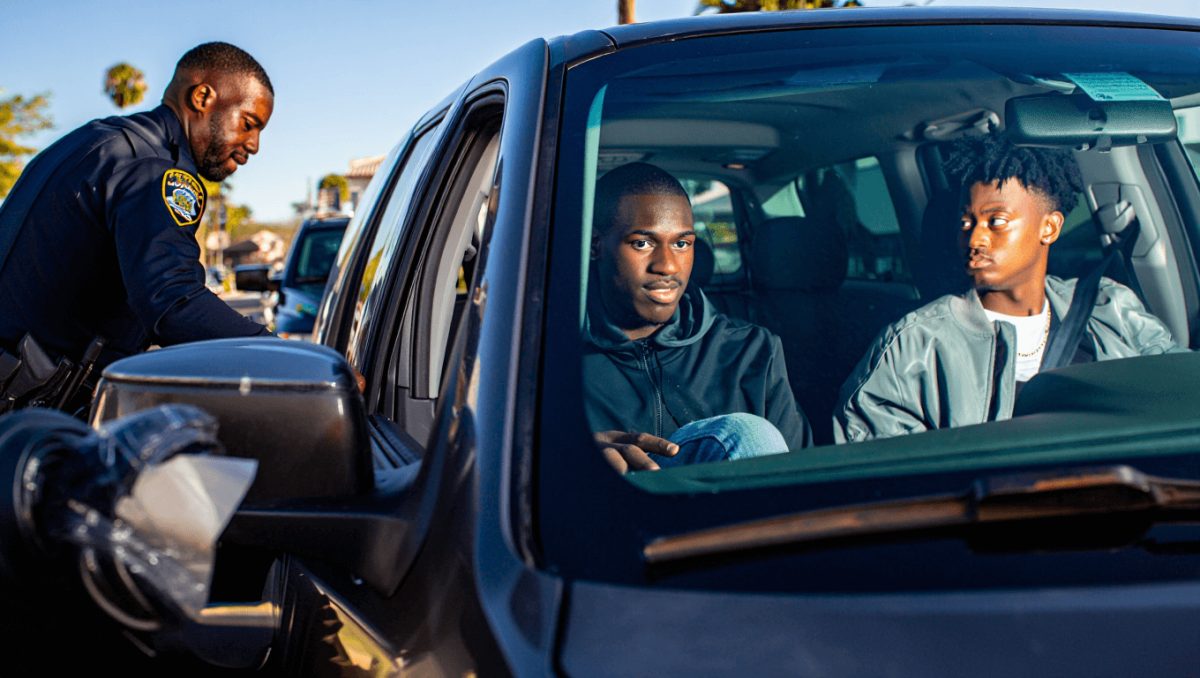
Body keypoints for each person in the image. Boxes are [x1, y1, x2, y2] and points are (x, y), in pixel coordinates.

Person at [834, 135, 1183, 443]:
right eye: (966, 222)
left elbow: (1180, 397)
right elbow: (877, 468)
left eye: (996, 222)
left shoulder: (1110, 308)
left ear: (1049, 228)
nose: (975, 238)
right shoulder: (914, 346)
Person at [0, 42, 274, 403]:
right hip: (30, 410)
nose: (253, 145)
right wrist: (283, 354)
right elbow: (174, 302)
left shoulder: (91, 141)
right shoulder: (155, 168)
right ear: (202, 97)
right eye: (248, 124)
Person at [584, 162, 812, 472]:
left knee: (748, 434)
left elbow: (799, 478)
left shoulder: (752, 351)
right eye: (642, 243)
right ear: (596, 246)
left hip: (735, 505)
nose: (667, 266)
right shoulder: (544, 356)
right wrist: (574, 453)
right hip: (606, 499)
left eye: (681, 244)